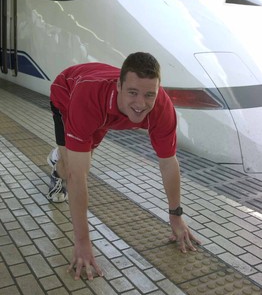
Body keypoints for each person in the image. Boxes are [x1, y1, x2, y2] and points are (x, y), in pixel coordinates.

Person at [47, 52, 201, 280]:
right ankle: (58, 162)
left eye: (150, 94)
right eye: (133, 92)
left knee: (83, 157)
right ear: (119, 86)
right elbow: (77, 177)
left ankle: (63, 154)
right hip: (68, 94)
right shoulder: (88, 99)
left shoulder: (161, 108)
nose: (141, 104)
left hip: (102, 116)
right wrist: (82, 242)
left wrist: (176, 217)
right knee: (74, 165)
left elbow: (168, 163)